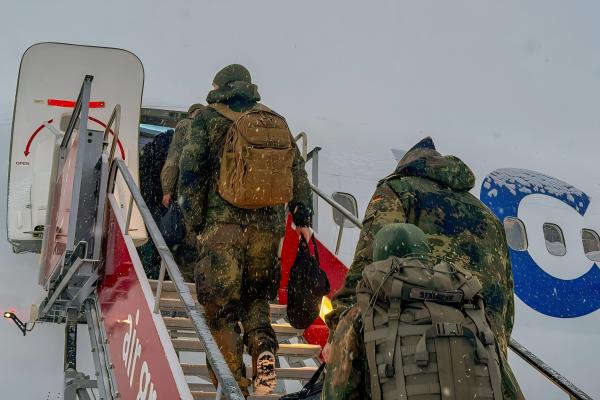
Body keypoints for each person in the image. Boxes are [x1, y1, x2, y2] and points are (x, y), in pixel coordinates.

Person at [324, 137, 523, 399]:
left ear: (408, 165)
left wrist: (341, 335)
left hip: (415, 351)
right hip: (480, 354)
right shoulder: (488, 215)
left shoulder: (398, 191)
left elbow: (369, 270)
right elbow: (505, 307)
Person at [177, 64, 313, 396]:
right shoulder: (272, 121)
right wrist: (302, 217)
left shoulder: (206, 119)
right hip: (267, 231)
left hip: (222, 229)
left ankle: (232, 385)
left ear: (220, 87)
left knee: (220, 310)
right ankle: (263, 348)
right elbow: (297, 172)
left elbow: (190, 172)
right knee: (255, 298)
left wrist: (195, 223)